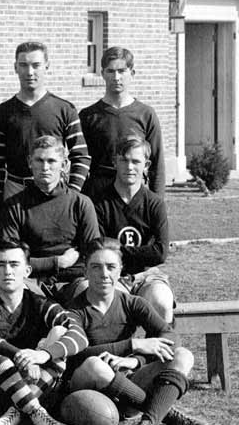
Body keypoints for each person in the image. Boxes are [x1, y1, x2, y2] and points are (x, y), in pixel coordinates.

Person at [64, 238, 206, 425]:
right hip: (86, 388)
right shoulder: (74, 310)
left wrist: (135, 362)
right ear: (85, 271)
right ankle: (164, 412)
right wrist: (133, 345)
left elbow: (170, 335)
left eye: (111, 267)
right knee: (96, 365)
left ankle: (146, 424)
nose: (104, 274)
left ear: (120, 270)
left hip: (127, 387)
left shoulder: (131, 302)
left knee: (183, 355)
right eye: (96, 267)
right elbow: (76, 354)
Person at [0, 240, 89, 425]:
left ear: (27, 270)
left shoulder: (40, 303)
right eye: (1, 265)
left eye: (14, 264)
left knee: (60, 331)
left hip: (35, 385)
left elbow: (80, 336)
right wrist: (17, 355)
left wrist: (42, 355)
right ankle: (39, 415)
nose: (8, 271)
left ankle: (15, 414)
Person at [70, 135, 174, 322]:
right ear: (114, 162)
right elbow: (98, 249)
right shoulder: (99, 202)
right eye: (124, 160)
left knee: (162, 302)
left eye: (136, 161)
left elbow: (160, 253)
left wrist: (117, 250)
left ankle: (165, 348)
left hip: (146, 275)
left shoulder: (154, 203)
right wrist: (139, 252)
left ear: (147, 165)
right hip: (110, 275)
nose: (129, 167)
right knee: (110, 305)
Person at [0, 41, 91, 203]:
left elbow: (81, 156)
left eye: (36, 65)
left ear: (46, 66)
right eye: (23, 65)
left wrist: (71, 193)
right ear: (15, 67)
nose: (29, 72)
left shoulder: (64, 109)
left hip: (53, 192)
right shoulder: (2, 112)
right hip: (15, 191)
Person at [0, 135, 100, 296]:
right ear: (29, 162)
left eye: (51, 161)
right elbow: (9, 259)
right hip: (30, 281)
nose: (45, 167)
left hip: (74, 280)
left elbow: (94, 254)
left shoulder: (81, 203)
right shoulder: (14, 206)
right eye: (39, 160)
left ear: (64, 165)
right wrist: (57, 262)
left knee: (91, 290)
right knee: (15, 294)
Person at [79, 47, 165, 199]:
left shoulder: (146, 114)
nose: (116, 77)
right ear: (102, 74)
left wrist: (156, 203)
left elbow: (157, 164)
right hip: (98, 196)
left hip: (134, 194)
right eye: (110, 71)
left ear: (132, 73)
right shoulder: (88, 116)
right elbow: (80, 162)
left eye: (121, 71)